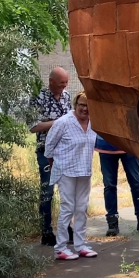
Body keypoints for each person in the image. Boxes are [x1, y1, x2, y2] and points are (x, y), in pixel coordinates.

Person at [45, 91, 98, 260]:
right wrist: (56, 167)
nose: (85, 109)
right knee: (67, 207)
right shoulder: (63, 122)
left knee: (81, 208)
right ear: (75, 104)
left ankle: (80, 245)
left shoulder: (94, 123)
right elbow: (49, 146)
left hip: (84, 170)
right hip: (66, 170)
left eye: (89, 106)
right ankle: (60, 248)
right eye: (82, 105)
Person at [29, 67, 71, 246]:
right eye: (61, 83)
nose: (64, 86)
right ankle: (46, 232)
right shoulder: (38, 98)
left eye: (66, 82)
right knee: (47, 192)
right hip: (46, 152)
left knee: (68, 192)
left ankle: (67, 229)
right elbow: (33, 126)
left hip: (66, 151)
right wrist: (58, 123)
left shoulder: (67, 96)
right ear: (51, 81)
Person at [95, 135, 139, 236]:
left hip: (129, 145)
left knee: (136, 184)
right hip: (106, 146)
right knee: (109, 185)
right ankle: (112, 223)